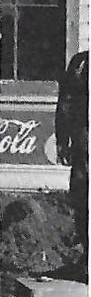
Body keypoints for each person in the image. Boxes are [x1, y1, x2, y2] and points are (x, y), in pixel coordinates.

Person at [56, 50, 88, 274]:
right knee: (81, 198)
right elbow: (66, 103)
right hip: (84, 141)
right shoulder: (82, 62)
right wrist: (63, 139)